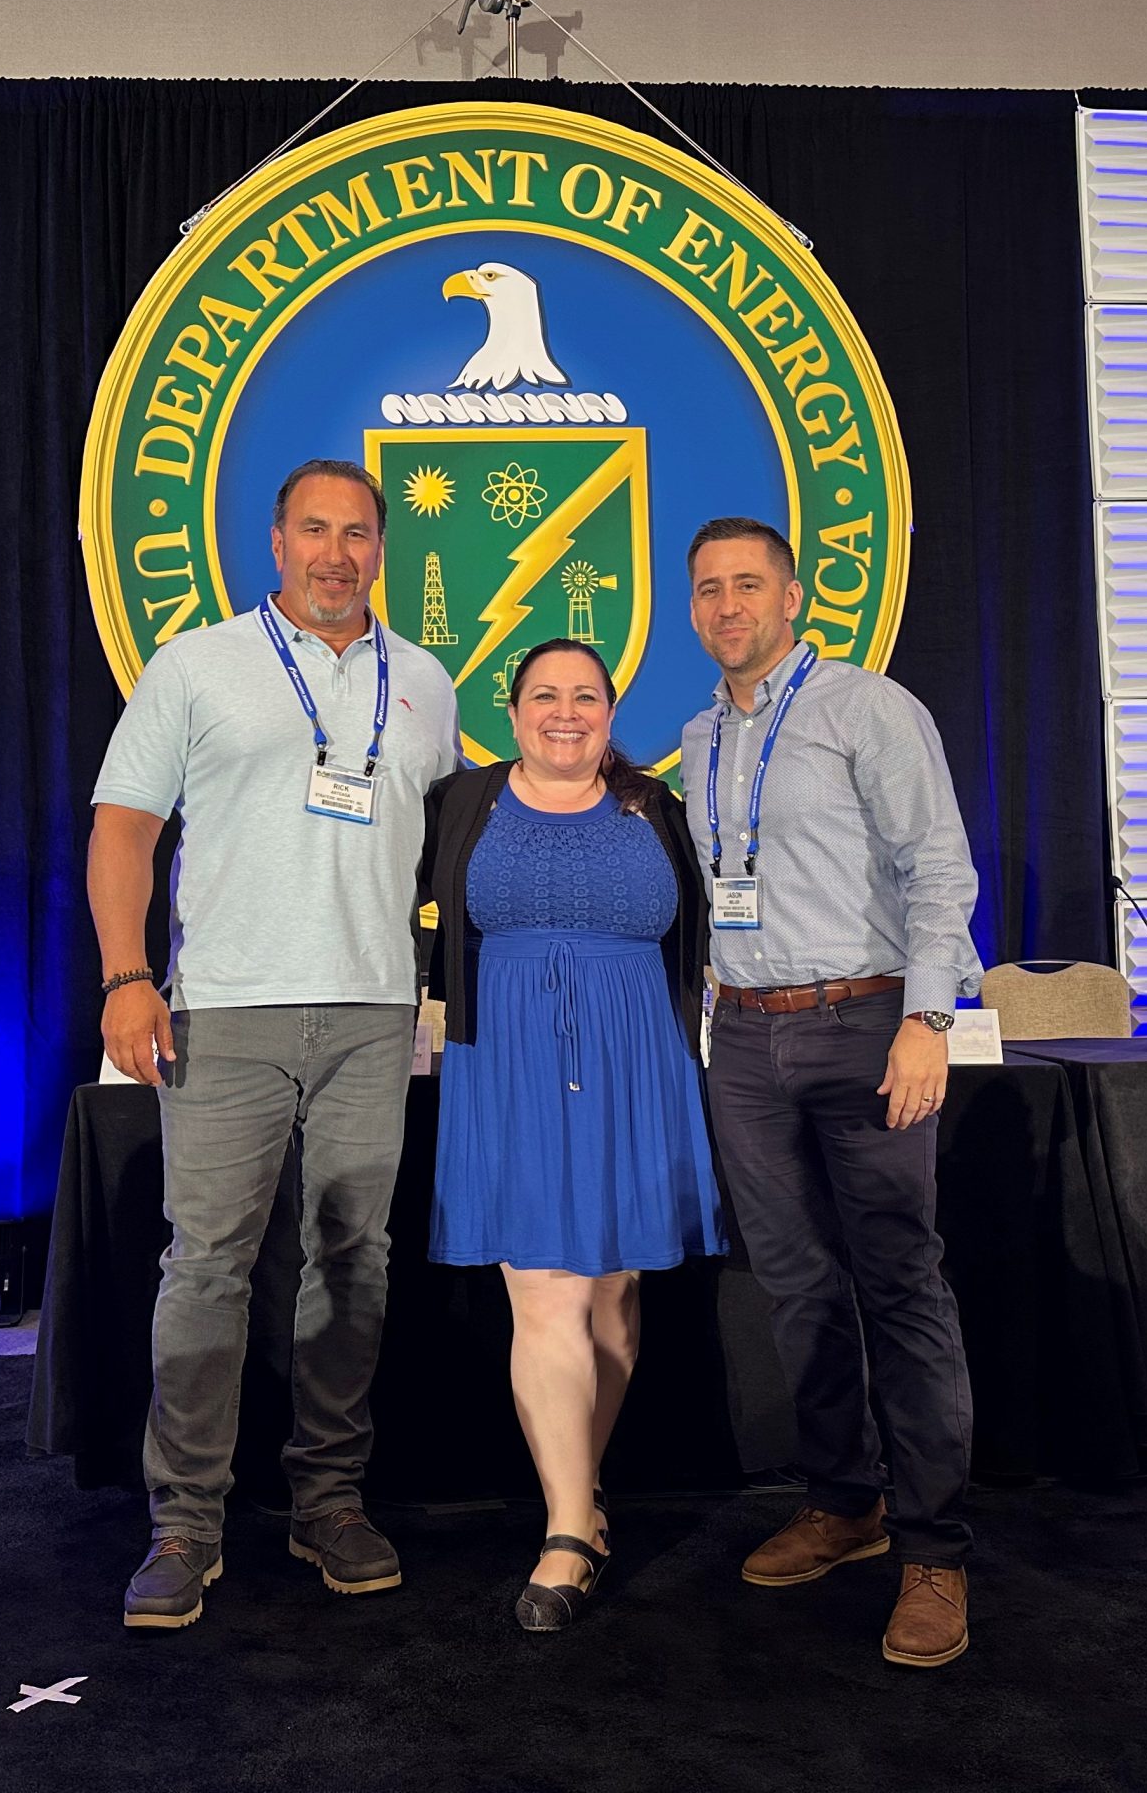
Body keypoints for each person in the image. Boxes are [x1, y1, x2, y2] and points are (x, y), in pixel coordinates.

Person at [87, 458, 461, 1632]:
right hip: (223, 1011)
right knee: (207, 1266)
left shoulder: (428, 683)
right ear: (275, 539)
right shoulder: (197, 665)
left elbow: (446, 860)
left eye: (357, 534)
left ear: (380, 548)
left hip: (371, 1015)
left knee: (352, 1263)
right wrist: (125, 976)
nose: (336, 554)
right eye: (315, 530)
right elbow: (124, 829)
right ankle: (186, 1523)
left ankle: (328, 1502)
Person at [678, 516, 985, 1670]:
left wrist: (927, 1019)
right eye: (707, 590)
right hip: (747, 1047)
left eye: (746, 585)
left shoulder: (870, 710)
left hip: (868, 1027)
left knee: (900, 1284)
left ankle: (934, 1553)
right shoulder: (700, 737)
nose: (726, 607)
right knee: (798, 1291)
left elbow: (939, 867)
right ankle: (843, 1503)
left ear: (793, 598)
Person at [419, 638, 721, 1631]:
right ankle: (564, 1532)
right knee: (545, 1294)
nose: (564, 711)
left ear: (608, 710)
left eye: (584, 695)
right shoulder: (461, 806)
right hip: (504, 1065)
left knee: (614, 1301)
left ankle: (583, 1500)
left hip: (637, 1061)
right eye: (543, 695)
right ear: (508, 713)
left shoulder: (656, 810)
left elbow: (703, 938)